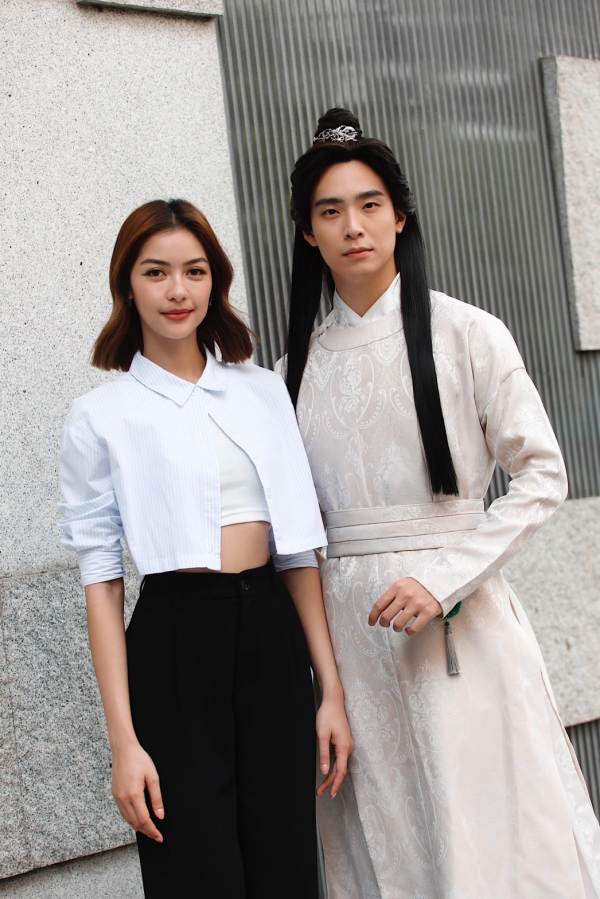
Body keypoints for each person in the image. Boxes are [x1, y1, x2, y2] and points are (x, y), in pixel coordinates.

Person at [280, 108, 600, 899]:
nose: (353, 226)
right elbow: (297, 537)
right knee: (390, 843)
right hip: (354, 647)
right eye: (330, 211)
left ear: (400, 216)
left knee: (489, 835)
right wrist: (323, 681)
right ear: (309, 234)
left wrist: (442, 577)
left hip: (460, 625)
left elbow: (542, 474)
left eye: (369, 204)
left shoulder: (468, 333)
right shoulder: (291, 372)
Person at [58, 198, 352, 899]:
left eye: (194, 271)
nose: (177, 290)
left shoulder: (262, 391)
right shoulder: (100, 416)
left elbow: (297, 553)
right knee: (197, 870)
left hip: (271, 636)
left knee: (285, 862)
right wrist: (124, 743)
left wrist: (331, 691)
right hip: (173, 640)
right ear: (127, 285)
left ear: (215, 281)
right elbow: (102, 581)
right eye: (156, 272)